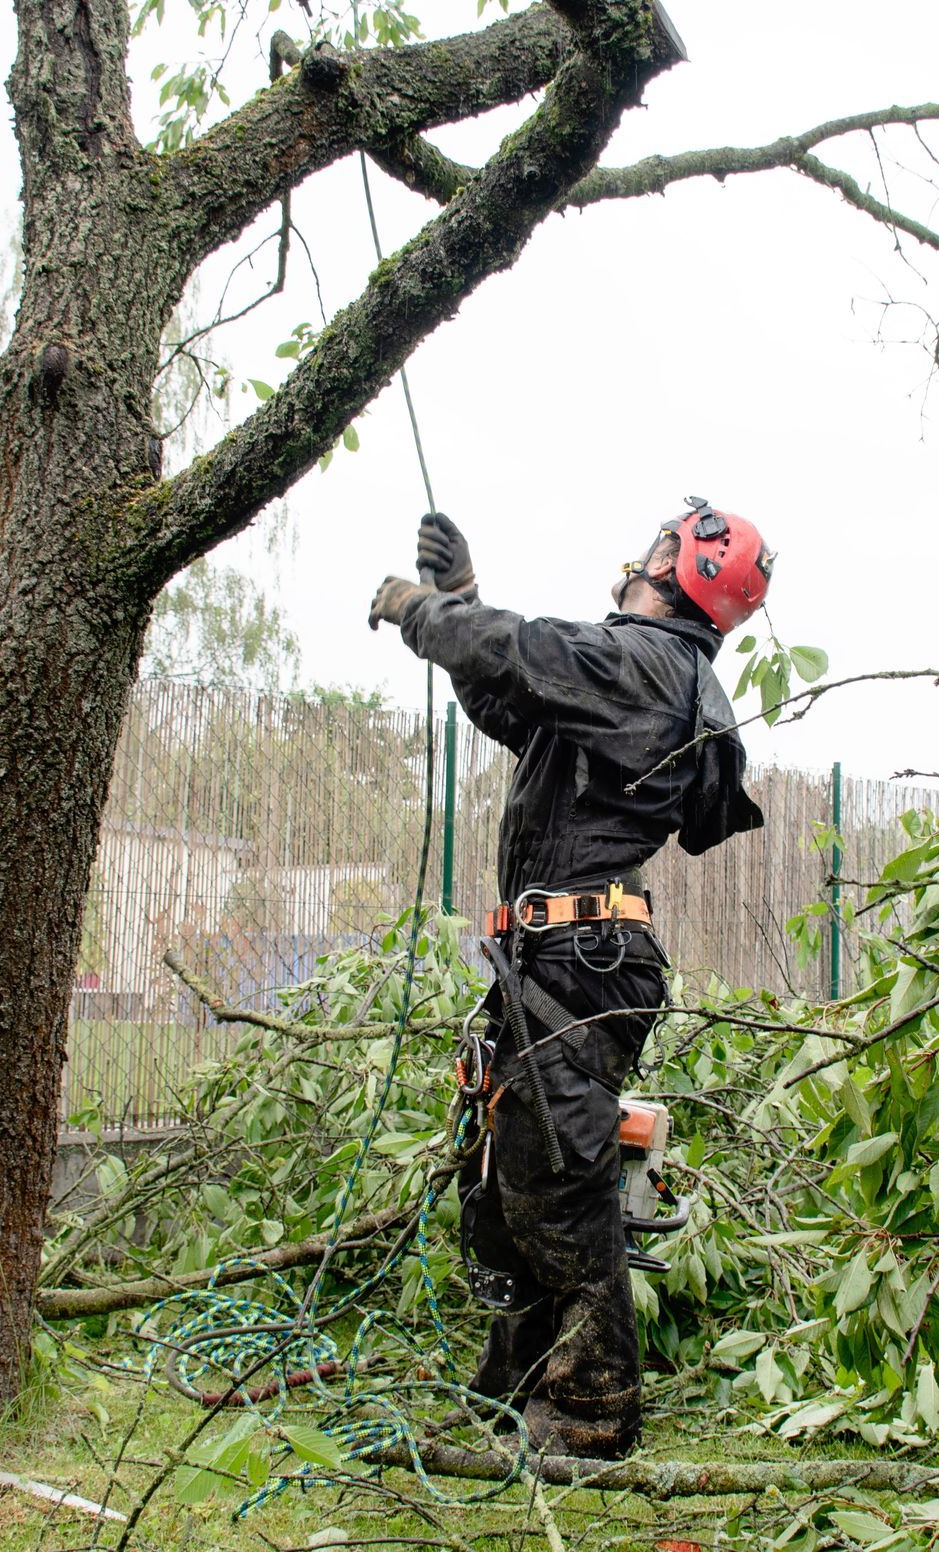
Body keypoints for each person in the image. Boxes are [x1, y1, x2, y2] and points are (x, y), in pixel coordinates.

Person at [367, 498, 774, 1459]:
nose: (645, 550)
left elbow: (525, 650)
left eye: (665, 544)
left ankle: (589, 1412)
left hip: (581, 957)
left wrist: (430, 612)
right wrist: (460, 599)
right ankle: (514, 1396)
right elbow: (513, 696)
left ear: (686, 570)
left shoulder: (651, 662)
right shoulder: (630, 674)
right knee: (513, 1182)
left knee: (557, 1181)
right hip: (558, 956)